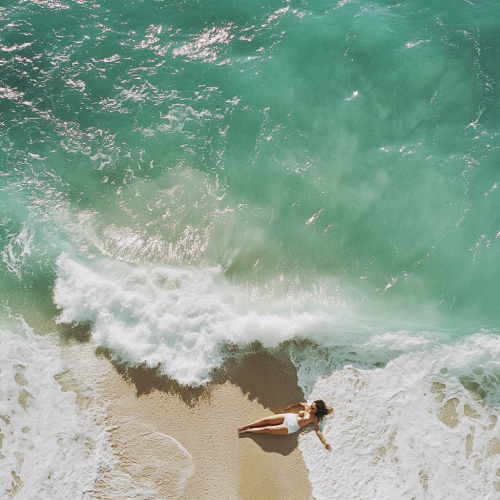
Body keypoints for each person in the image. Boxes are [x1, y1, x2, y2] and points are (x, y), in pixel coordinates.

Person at [237, 400, 333, 451]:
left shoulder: (314, 419)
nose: (310, 408)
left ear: (317, 411)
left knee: (267, 429)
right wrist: (291, 406)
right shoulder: (307, 407)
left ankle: (247, 431)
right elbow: (300, 403)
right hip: (288, 417)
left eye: (313, 408)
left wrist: (325, 443)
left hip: (290, 427)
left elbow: (318, 431)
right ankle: (245, 426)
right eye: (311, 405)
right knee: (265, 420)